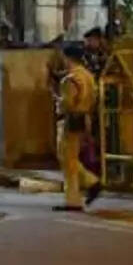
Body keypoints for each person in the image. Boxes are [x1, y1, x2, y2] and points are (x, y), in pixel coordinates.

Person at [54, 44, 102, 212]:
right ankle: (86, 187)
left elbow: (67, 103)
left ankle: (84, 189)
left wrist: (58, 101)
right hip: (85, 118)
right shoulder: (89, 76)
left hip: (70, 120)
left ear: (67, 58)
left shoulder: (70, 79)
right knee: (71, 158)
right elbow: (94, 98)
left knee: (67, 159)